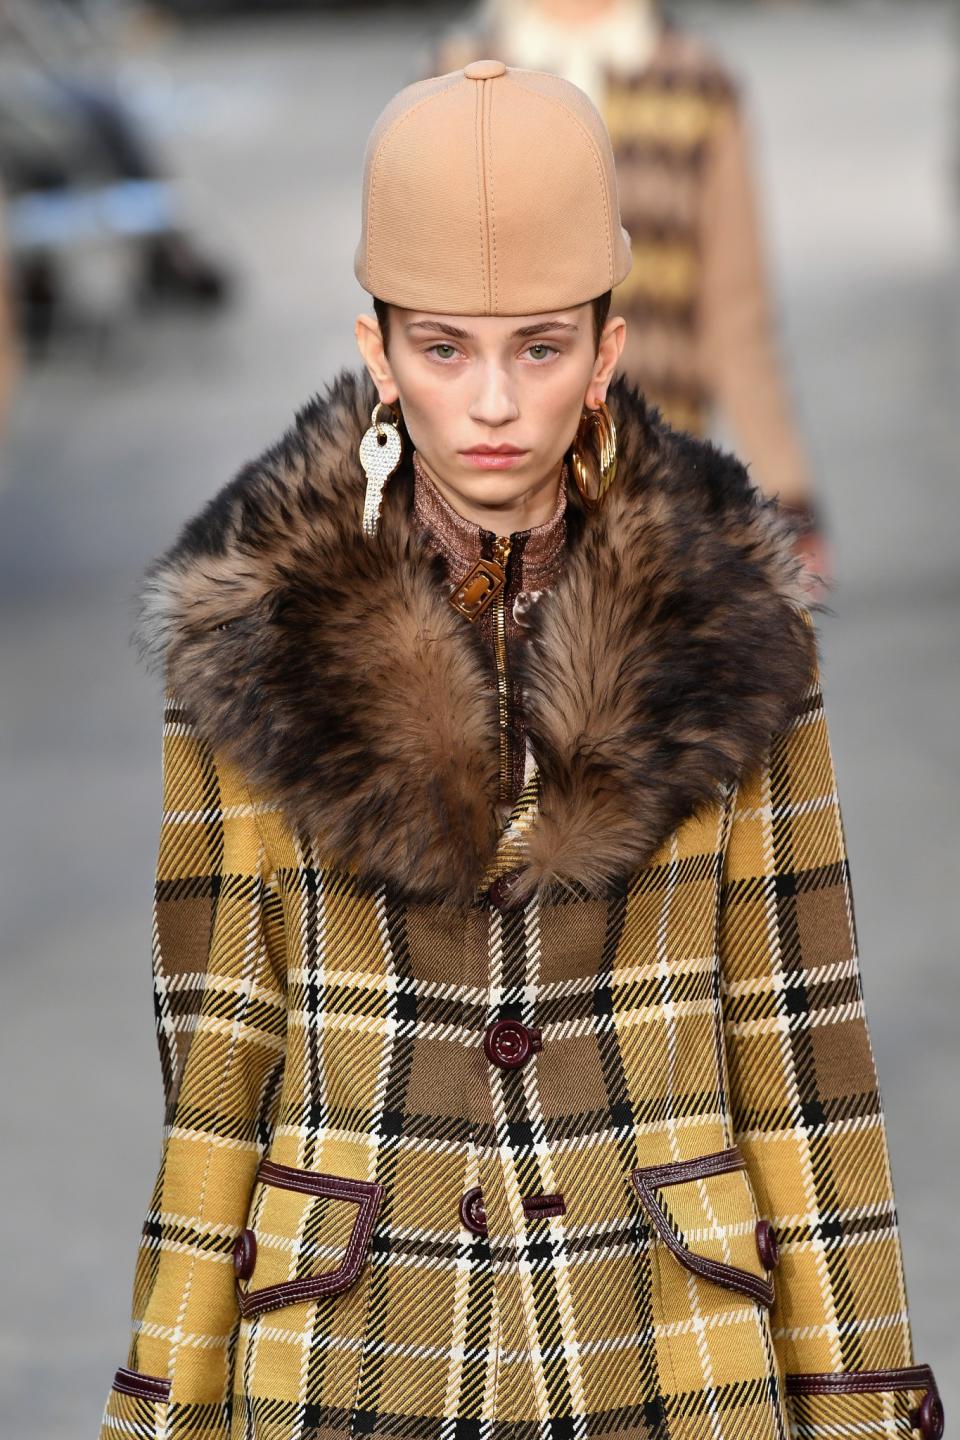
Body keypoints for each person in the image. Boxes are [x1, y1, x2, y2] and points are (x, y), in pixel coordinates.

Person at [98, 60, 941, 1440]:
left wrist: (857, 1397)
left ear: (607, 353)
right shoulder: (254, 639)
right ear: (375, 352)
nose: (493, 403)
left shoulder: (733, 629)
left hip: (665, 1336)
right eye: (444, 350)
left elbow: (798, 1049)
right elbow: (216, 1066)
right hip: (355, 1339)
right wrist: (163, 1399)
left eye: (539, 349)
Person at [428, 0, 831, 591]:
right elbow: (416, 306)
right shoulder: (452, 76)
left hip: (651, 493)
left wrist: (789, 497)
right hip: (481, 494)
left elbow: (736, 316)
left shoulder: (697, 85)